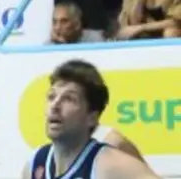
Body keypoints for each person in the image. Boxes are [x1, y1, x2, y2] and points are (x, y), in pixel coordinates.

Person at [22, 60, 159, 179]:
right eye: (51, 96)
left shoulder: (108, 164)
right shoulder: (35, 163)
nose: (55, 105)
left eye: (69, 99)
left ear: (92, 117)